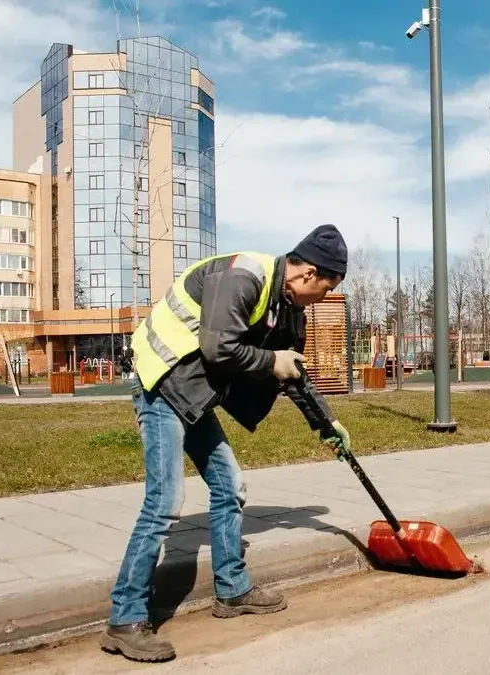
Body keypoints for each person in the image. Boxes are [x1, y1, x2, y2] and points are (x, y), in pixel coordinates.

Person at [101, 224, 353, 663]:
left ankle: (232, 592)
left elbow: (293, 372)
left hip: (194, 394)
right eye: (325, 289)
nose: (321, 299)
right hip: (160, 383)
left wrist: (327, 423)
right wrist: (271, 361)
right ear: (309, 273)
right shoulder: (245, 276)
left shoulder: (290, 306)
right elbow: (219, 350)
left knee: (230, 486)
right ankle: (124, 619)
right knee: (164, 501)